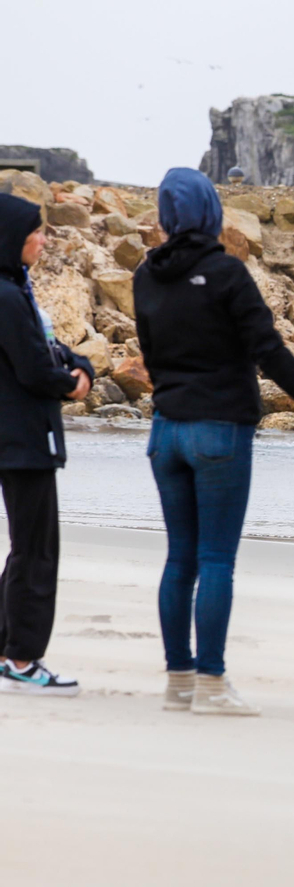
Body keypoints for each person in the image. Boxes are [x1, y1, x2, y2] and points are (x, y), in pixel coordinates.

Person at [133, 168, 294, 716]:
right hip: (219, 433)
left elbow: (151, 354)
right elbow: (271, 352)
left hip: (165, 434)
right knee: (215, 559)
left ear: (167, 217)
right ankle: (211, 685)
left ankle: (179, 683)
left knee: (179, 561)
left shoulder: (145, 276)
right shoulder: (226, 273)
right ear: (210, 214)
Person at [0, 195, 93, 696]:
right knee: (37, 552)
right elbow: (36, 369)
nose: (43, 239)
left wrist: (82, 367)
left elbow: (50, 348)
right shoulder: (8, 295)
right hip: (22, 440)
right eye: (36, 231)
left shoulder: (16, 288)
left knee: (26, 547)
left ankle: (6, 648)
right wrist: (70, 383)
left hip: (19, 438)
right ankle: (23, 658)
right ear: (13, 238)